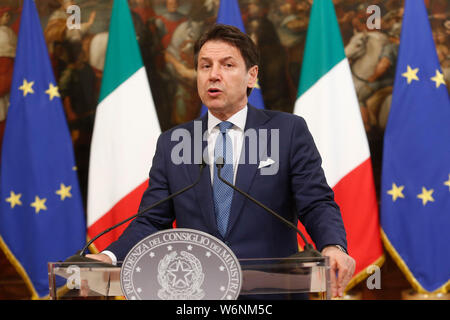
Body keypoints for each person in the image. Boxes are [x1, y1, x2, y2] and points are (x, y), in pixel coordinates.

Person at [87, 24, 355, 299]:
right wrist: (109, 257)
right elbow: (152, 221)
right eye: (205, 66)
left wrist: (333, 245)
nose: (214, 75)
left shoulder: (287, 132)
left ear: (252, 76)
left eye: (227, 65)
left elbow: (315, 202)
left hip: (274, 293)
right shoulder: (174, 143)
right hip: (200, 295)